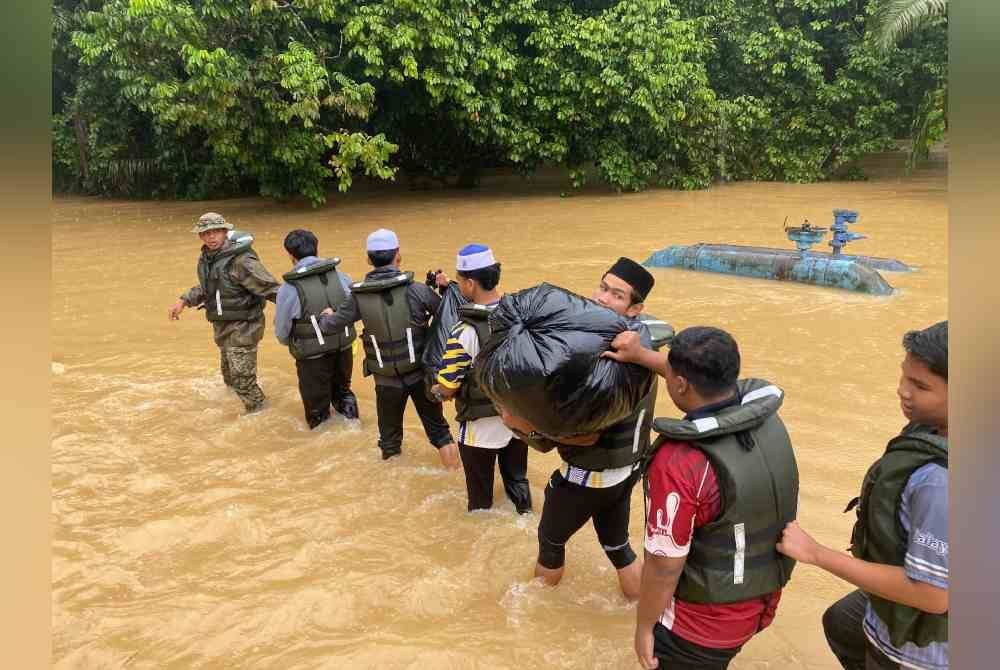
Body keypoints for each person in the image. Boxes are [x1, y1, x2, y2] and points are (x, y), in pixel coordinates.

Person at [605, 325, 798, 669]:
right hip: (758, 603)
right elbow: (692, 380)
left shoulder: (681, 461)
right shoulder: (765, 419)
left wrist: (643, 627)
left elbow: (664, 567)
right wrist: (640, 355)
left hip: (697, 628)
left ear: (680, 384)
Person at [776, 321, 948, 670]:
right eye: (904, 377)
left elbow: (933, 595)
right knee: (842, 622)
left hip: (919, 653)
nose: (903, 391)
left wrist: (816, 553)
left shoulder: (938, 484)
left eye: (920, 385)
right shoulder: (933, 428)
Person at [500, 257, 659, 600]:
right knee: (618, 547)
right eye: (602, 287)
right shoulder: (643, 345)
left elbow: (587, 435)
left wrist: (524, 427)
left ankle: (532, 611)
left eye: (616, 295)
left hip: (588, 479)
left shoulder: (611, 360)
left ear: (636, 307)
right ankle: (643, 611)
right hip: (624, 472)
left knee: (550, 543)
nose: (602, 298)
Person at [318, 228, 460, 468]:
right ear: (398, 255)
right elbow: (448, 316)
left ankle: (393, 479)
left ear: (368, 259)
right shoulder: (417, 290)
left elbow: (331, 326)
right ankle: (455, 476)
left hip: (385, 381)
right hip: (420, 375)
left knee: (390, 441)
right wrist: (446, 289)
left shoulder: (358, 297)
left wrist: (325, 316)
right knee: (439, 433)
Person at [429, 244, 532, 514]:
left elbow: (449, 386)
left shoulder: (464, 331)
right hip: (519, 420)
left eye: (460, 280)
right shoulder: (521, 317)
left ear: (471, 283)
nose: (459, 284)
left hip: (480, 429)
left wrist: (436, 390)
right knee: (518, 483)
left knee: (480, 502)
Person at [168, 212, 279, 413]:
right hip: (223, 326)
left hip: (245, 326)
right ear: (200, 236)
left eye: (216, 232)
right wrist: (183, 300)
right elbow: (208, 287)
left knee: (242, 380)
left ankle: (261, 414)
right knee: (229, 376)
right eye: (206, 233)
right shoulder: (208, 258)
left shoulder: (242, 261)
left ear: (225, 232)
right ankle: (252, 407)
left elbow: (272, 289)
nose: (211, 237)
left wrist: (301, 310)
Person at [274, 229, 359, 429]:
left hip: (312, 356)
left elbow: (282, 331)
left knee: (317, 408)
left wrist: (291, 343)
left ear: (291, 255)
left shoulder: (289, 288)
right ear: (316, 249)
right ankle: (355, 427)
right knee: (344, 392)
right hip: (343, 346)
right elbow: (355, 307)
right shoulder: (341, 276)